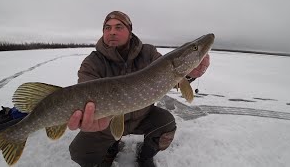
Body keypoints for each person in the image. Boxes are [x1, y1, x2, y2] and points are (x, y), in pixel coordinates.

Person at [68, 11, 210, 167]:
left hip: (143, 116)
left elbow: (173, 78)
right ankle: (110, 148)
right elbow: (85, 92)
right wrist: (88, 114)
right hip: (106, 121)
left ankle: (145, 156)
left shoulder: (148, 53)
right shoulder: (92, 62)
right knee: (79, 152)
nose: (112, 32)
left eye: (119, 27)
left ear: (130, 31)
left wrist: (190, 75)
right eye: (107, 28)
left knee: (166, 123)